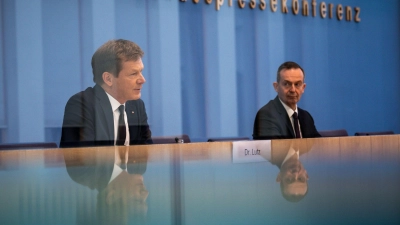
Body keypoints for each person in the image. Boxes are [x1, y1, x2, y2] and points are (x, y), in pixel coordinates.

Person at [60, 39, 152, 148]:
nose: (142, 80)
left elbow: (146, 153)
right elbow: (81, 159)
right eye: (133, 74)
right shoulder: (81, 105)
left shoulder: (136, 106)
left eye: (141, 72)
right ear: (108, 79)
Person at [253, 61, 320, 140]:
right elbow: (275, 150)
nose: (293, 90)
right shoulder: (267, 115)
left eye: (297, 84)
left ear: (303, 88)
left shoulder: (306, 117)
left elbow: (319, 148)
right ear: (276, 87)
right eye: (287, 84)